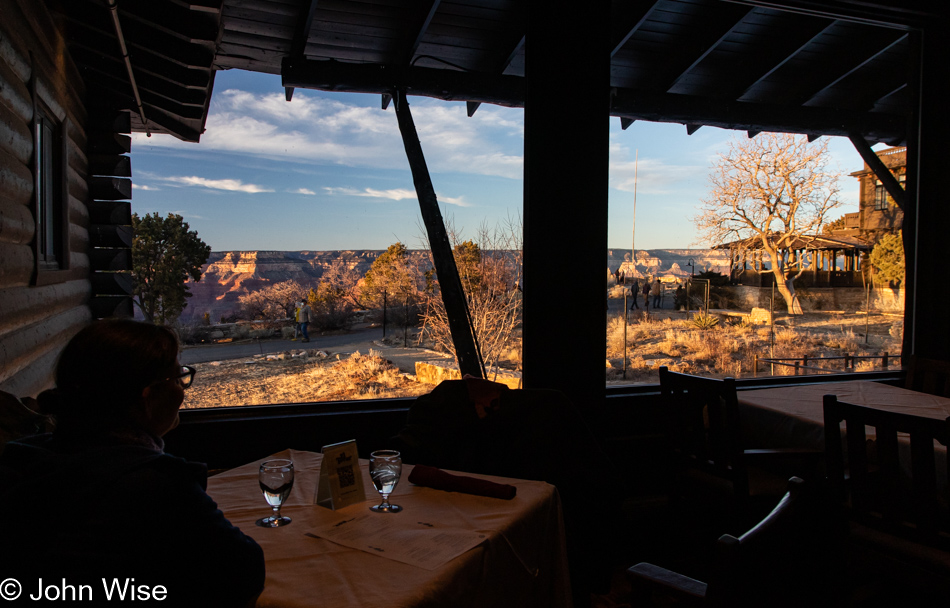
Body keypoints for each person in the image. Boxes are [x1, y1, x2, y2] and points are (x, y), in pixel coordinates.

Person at [0, 320, 264, 607]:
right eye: (178, 378)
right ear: (147, 396)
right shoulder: (155, 485)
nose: (183, 390)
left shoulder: (24, 460)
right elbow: (244, 571)